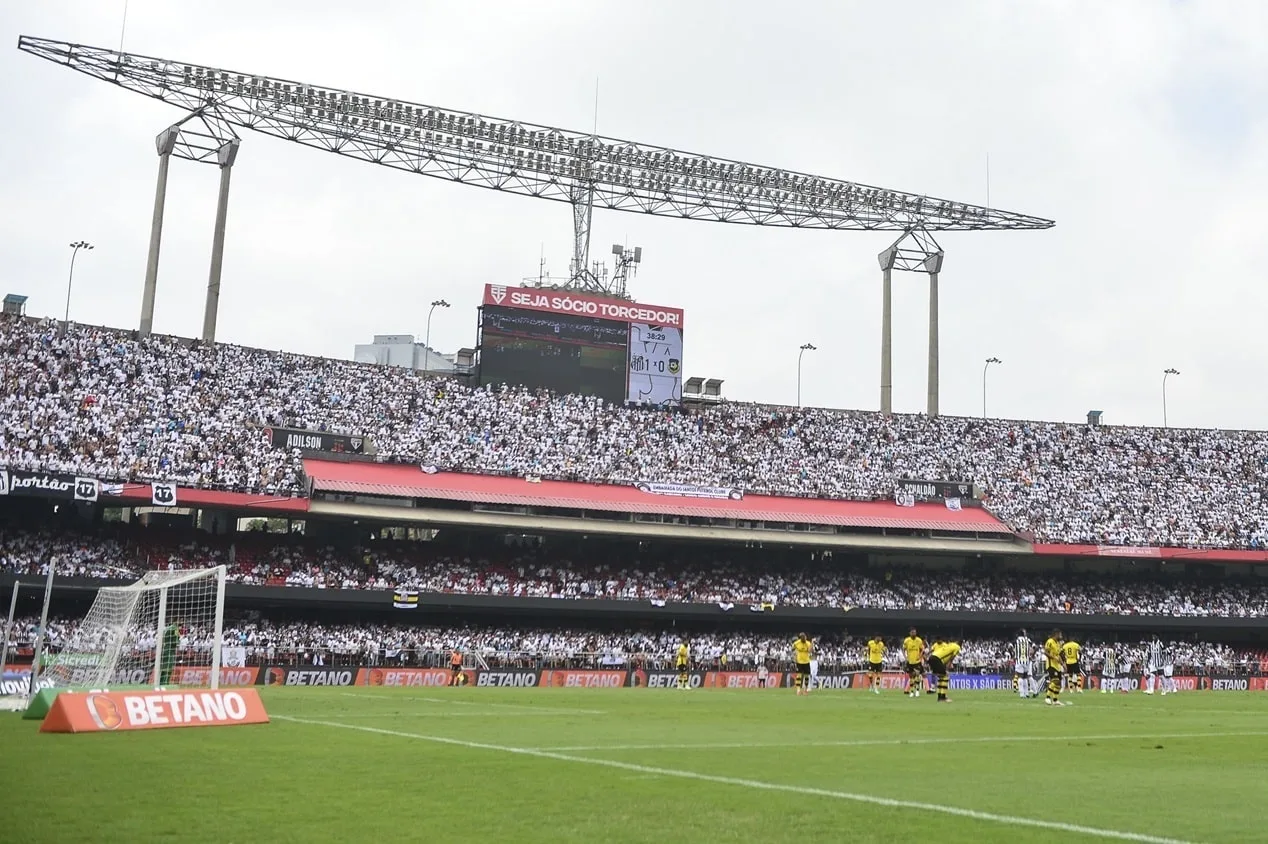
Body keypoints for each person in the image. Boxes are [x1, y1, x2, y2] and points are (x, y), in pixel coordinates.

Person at [927, 638, 960, 703]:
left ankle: (940, 697)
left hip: (932, 657)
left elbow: (945, 657)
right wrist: (949, 665)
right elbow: (952, 657)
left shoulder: (949, 645)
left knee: (941, 677)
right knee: (946, 676)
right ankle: (943, 697)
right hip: (936, 659)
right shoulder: (957, 647)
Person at [1043, 629, 1066, 707]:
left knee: (1058, 683)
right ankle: (1047, 697)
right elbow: (1045, 652)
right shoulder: (1050, 641)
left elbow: (1058, 655)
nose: (1061, 636)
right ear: (1056, 634)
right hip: (1051, 664)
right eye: (1060, 634)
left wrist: (1063, 664)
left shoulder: (1058, 643)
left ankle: (1055, 700)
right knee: (1055, 681)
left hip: (1057, 665)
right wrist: (1053, 657)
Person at [901, 628, 925, 698]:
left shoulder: (919, 640)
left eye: (915, 632)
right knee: (911, 677)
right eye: (912, 632)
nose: (914, 634)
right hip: (910, 661)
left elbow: (922, 649)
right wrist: (905, 657)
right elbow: (903, 649)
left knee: (917, 675)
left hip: (917, 661)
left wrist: (920, 656)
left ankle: (917, 691)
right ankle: (911, 691)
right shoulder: (907, 640)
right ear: (910, 633)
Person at [1014, 629, 1032, 699]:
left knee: (1020, 677)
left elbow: (1015, 650)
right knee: (1025, 677)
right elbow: (1030, 649)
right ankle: (1026, 693)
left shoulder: (1017, 641)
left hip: (1019, 660)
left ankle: (1022, 694)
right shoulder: (1027, 640)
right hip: (1026, 660)